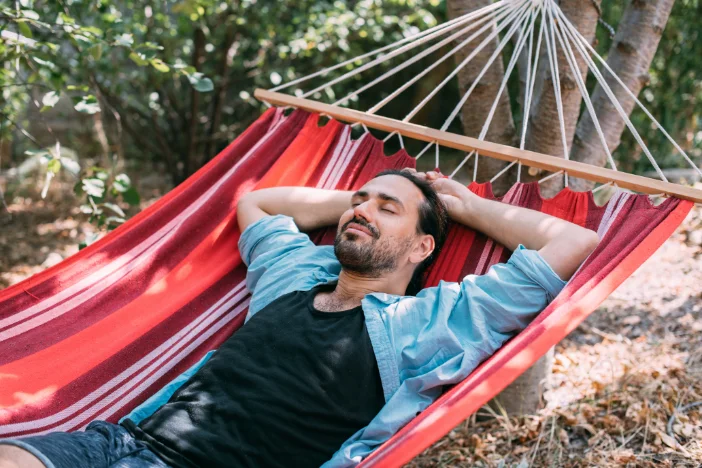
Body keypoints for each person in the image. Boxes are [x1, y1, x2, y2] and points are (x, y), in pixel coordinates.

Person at [0, 169, 599, 468]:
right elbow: (255, 201)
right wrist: (362, 202)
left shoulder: (428, 324)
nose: (362, 211)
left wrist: (464, 207)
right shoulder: (293, 274)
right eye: (360, 201)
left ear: (421, 249)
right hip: (114, 442)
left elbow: (574, 242)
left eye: (386, 210)